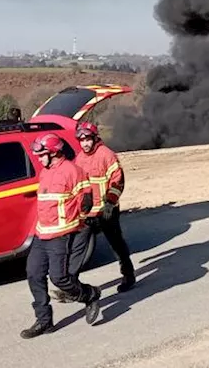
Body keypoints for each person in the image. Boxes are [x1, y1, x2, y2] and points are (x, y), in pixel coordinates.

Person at [20, 132, 103, 338]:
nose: (39, 159)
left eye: (42, 155)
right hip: (42, 235)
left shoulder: (73, 171)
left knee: (60, 278)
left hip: (61, 235)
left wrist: (78, 223)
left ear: (54, 153)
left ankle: (89, 295)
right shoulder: (45, 172)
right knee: (34, 274)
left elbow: (86, 201)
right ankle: (44, 321)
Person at [69, 122, 135, 291]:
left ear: (95, 138)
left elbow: (117, 180)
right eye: (81, 140)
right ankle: (70, 286)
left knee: (116, 243)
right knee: (78, 247)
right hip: (88, 213)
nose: (85, 143)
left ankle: (128, 276)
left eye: (87, 139)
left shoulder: (107, 155)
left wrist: (110, 202)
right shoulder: (80, 158)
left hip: (107, 211)